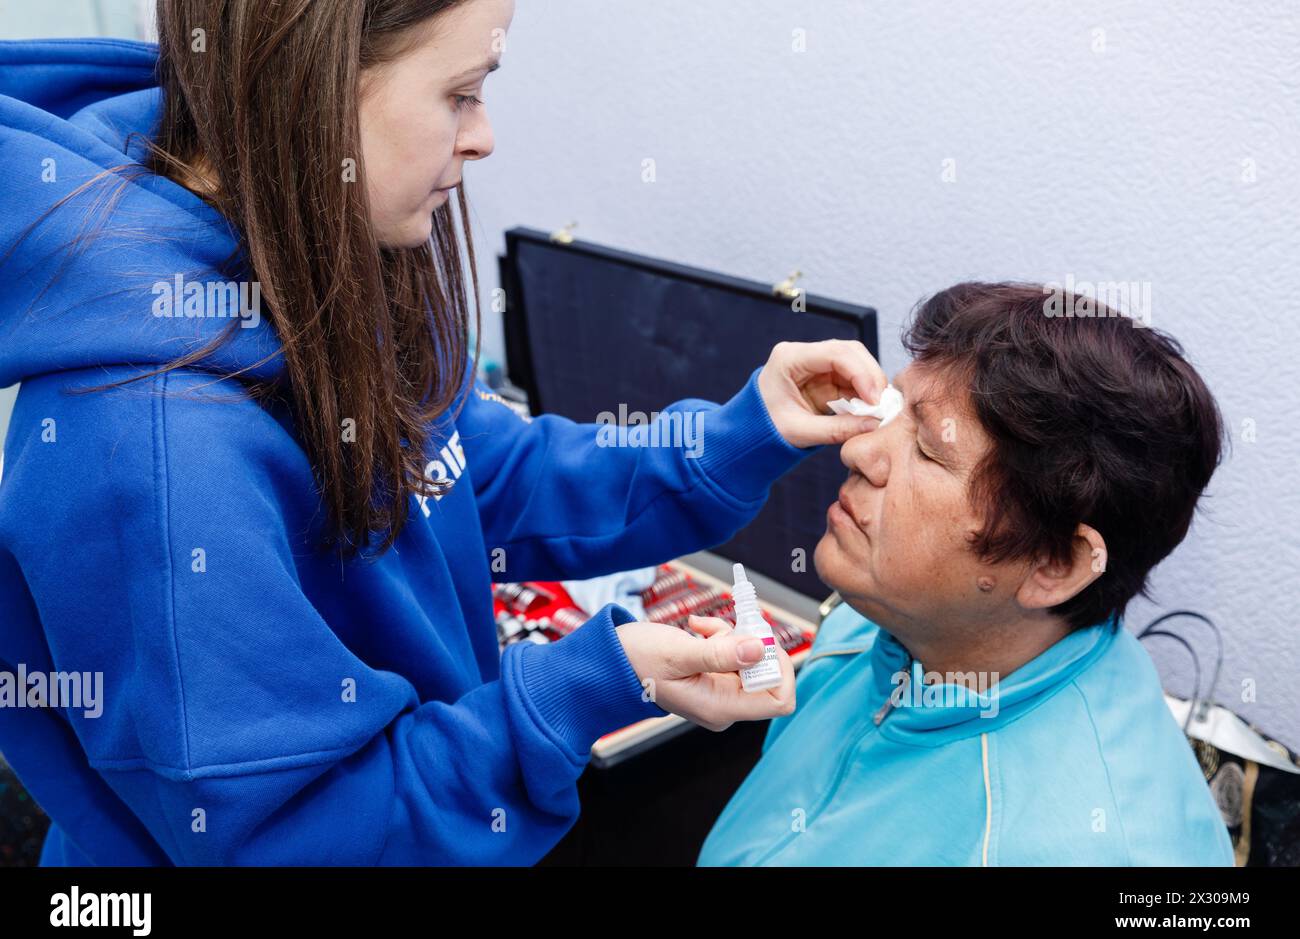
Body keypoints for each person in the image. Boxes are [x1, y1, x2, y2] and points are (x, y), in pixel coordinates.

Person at [0, 0, 888, 865]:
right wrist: (580, 689)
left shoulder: (329, 247)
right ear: (309, 83)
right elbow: (308, 832)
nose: (484, 134)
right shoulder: (151, 458)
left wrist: (737, 437)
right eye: (461, 92)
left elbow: (475, 471)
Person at [697, 282, 1236, 866]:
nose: (858, 452)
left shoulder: (1075, 850)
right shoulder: (879, 625)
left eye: (928, 451)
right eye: (893, 412)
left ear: (1056, 564)